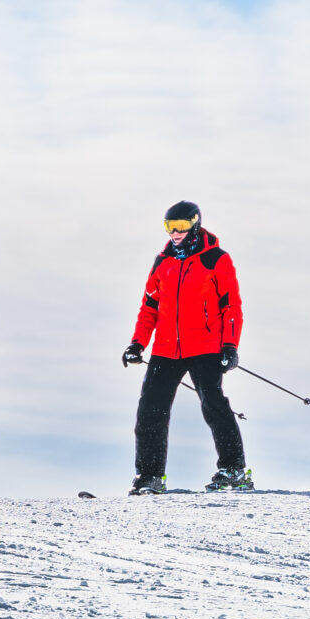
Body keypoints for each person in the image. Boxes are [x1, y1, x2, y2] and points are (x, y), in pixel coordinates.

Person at [121, 200, 250, 495]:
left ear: (194, 224)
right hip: (166, 349)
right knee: (150, 411)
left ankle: (233, 470)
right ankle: (149, 476)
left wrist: (230, 346)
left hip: (205, 346)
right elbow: (150, 307)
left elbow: (231, 306)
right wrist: (137, 343)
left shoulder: (216, 259)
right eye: (169, 227)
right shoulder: (162, 262)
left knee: (213, 404)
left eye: (179, 227)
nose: (174, 233)